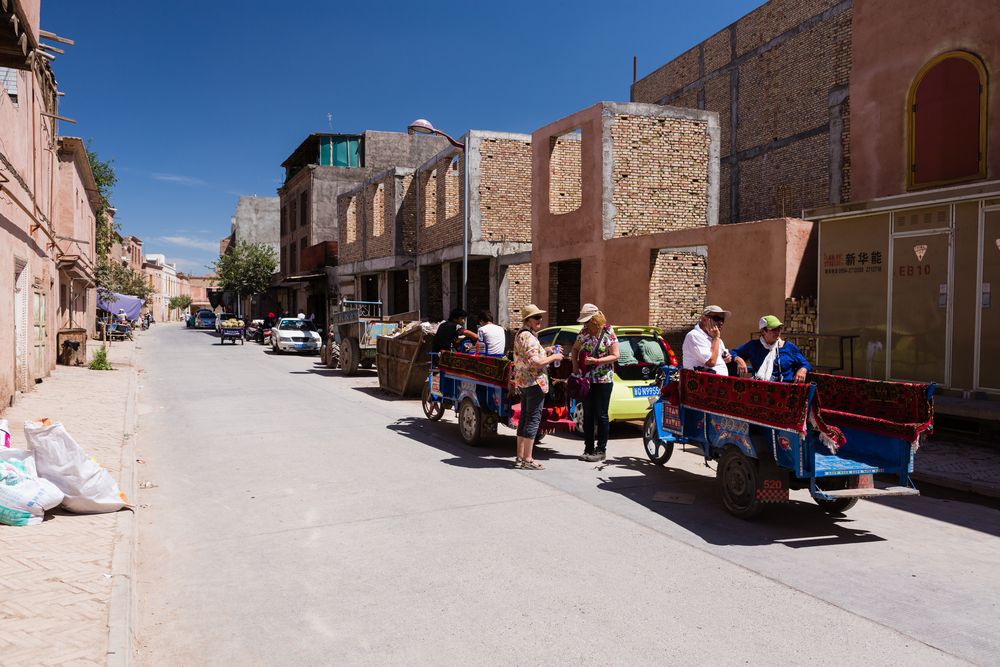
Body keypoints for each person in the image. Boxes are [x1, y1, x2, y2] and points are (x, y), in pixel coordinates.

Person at [511, 304, 563, 470]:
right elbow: (536, 362)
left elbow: (528, 355)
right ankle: (528, 458)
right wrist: (554, 356)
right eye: (536, 317)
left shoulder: (522, 334)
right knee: (532, 420)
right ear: (528, 320)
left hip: (524, 382)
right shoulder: (530, 337)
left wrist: (545, 350)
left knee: (525, 419)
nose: (540, 320)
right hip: (534, 383)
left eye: (540, 316)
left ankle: (520, 457)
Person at [570, 304, 620, 462]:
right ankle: (588, 448)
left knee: (602, 415)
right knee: (588, 414)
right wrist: (575, 365)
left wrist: (597, 361)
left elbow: (615, 355)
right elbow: (574, 350)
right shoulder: (583, 332)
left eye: (588, 321)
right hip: (587, 380)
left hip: (604, 380)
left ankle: (601, 449)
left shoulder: (608, 332)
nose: (585, 324)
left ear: (595, 320)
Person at [732, 315, 811, 383]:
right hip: (761, 389)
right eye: (773, 329)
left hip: (784, 390)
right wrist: (738, 359)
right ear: (763, 331)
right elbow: (732, 353)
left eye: (779, 329)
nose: (778, 332)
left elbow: (805, 364)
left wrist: (802, 370)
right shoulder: (753, 346)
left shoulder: (789, 347)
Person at [682, 305, 733, 375]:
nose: (720, 322)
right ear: (704, 319)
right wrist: (715, 338)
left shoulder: (717, 339)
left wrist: (726, 358)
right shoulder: (694, 335)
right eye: (716, 318)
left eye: (722, 319)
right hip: (701, 382)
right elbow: (711, 362)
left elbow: (722, 357)